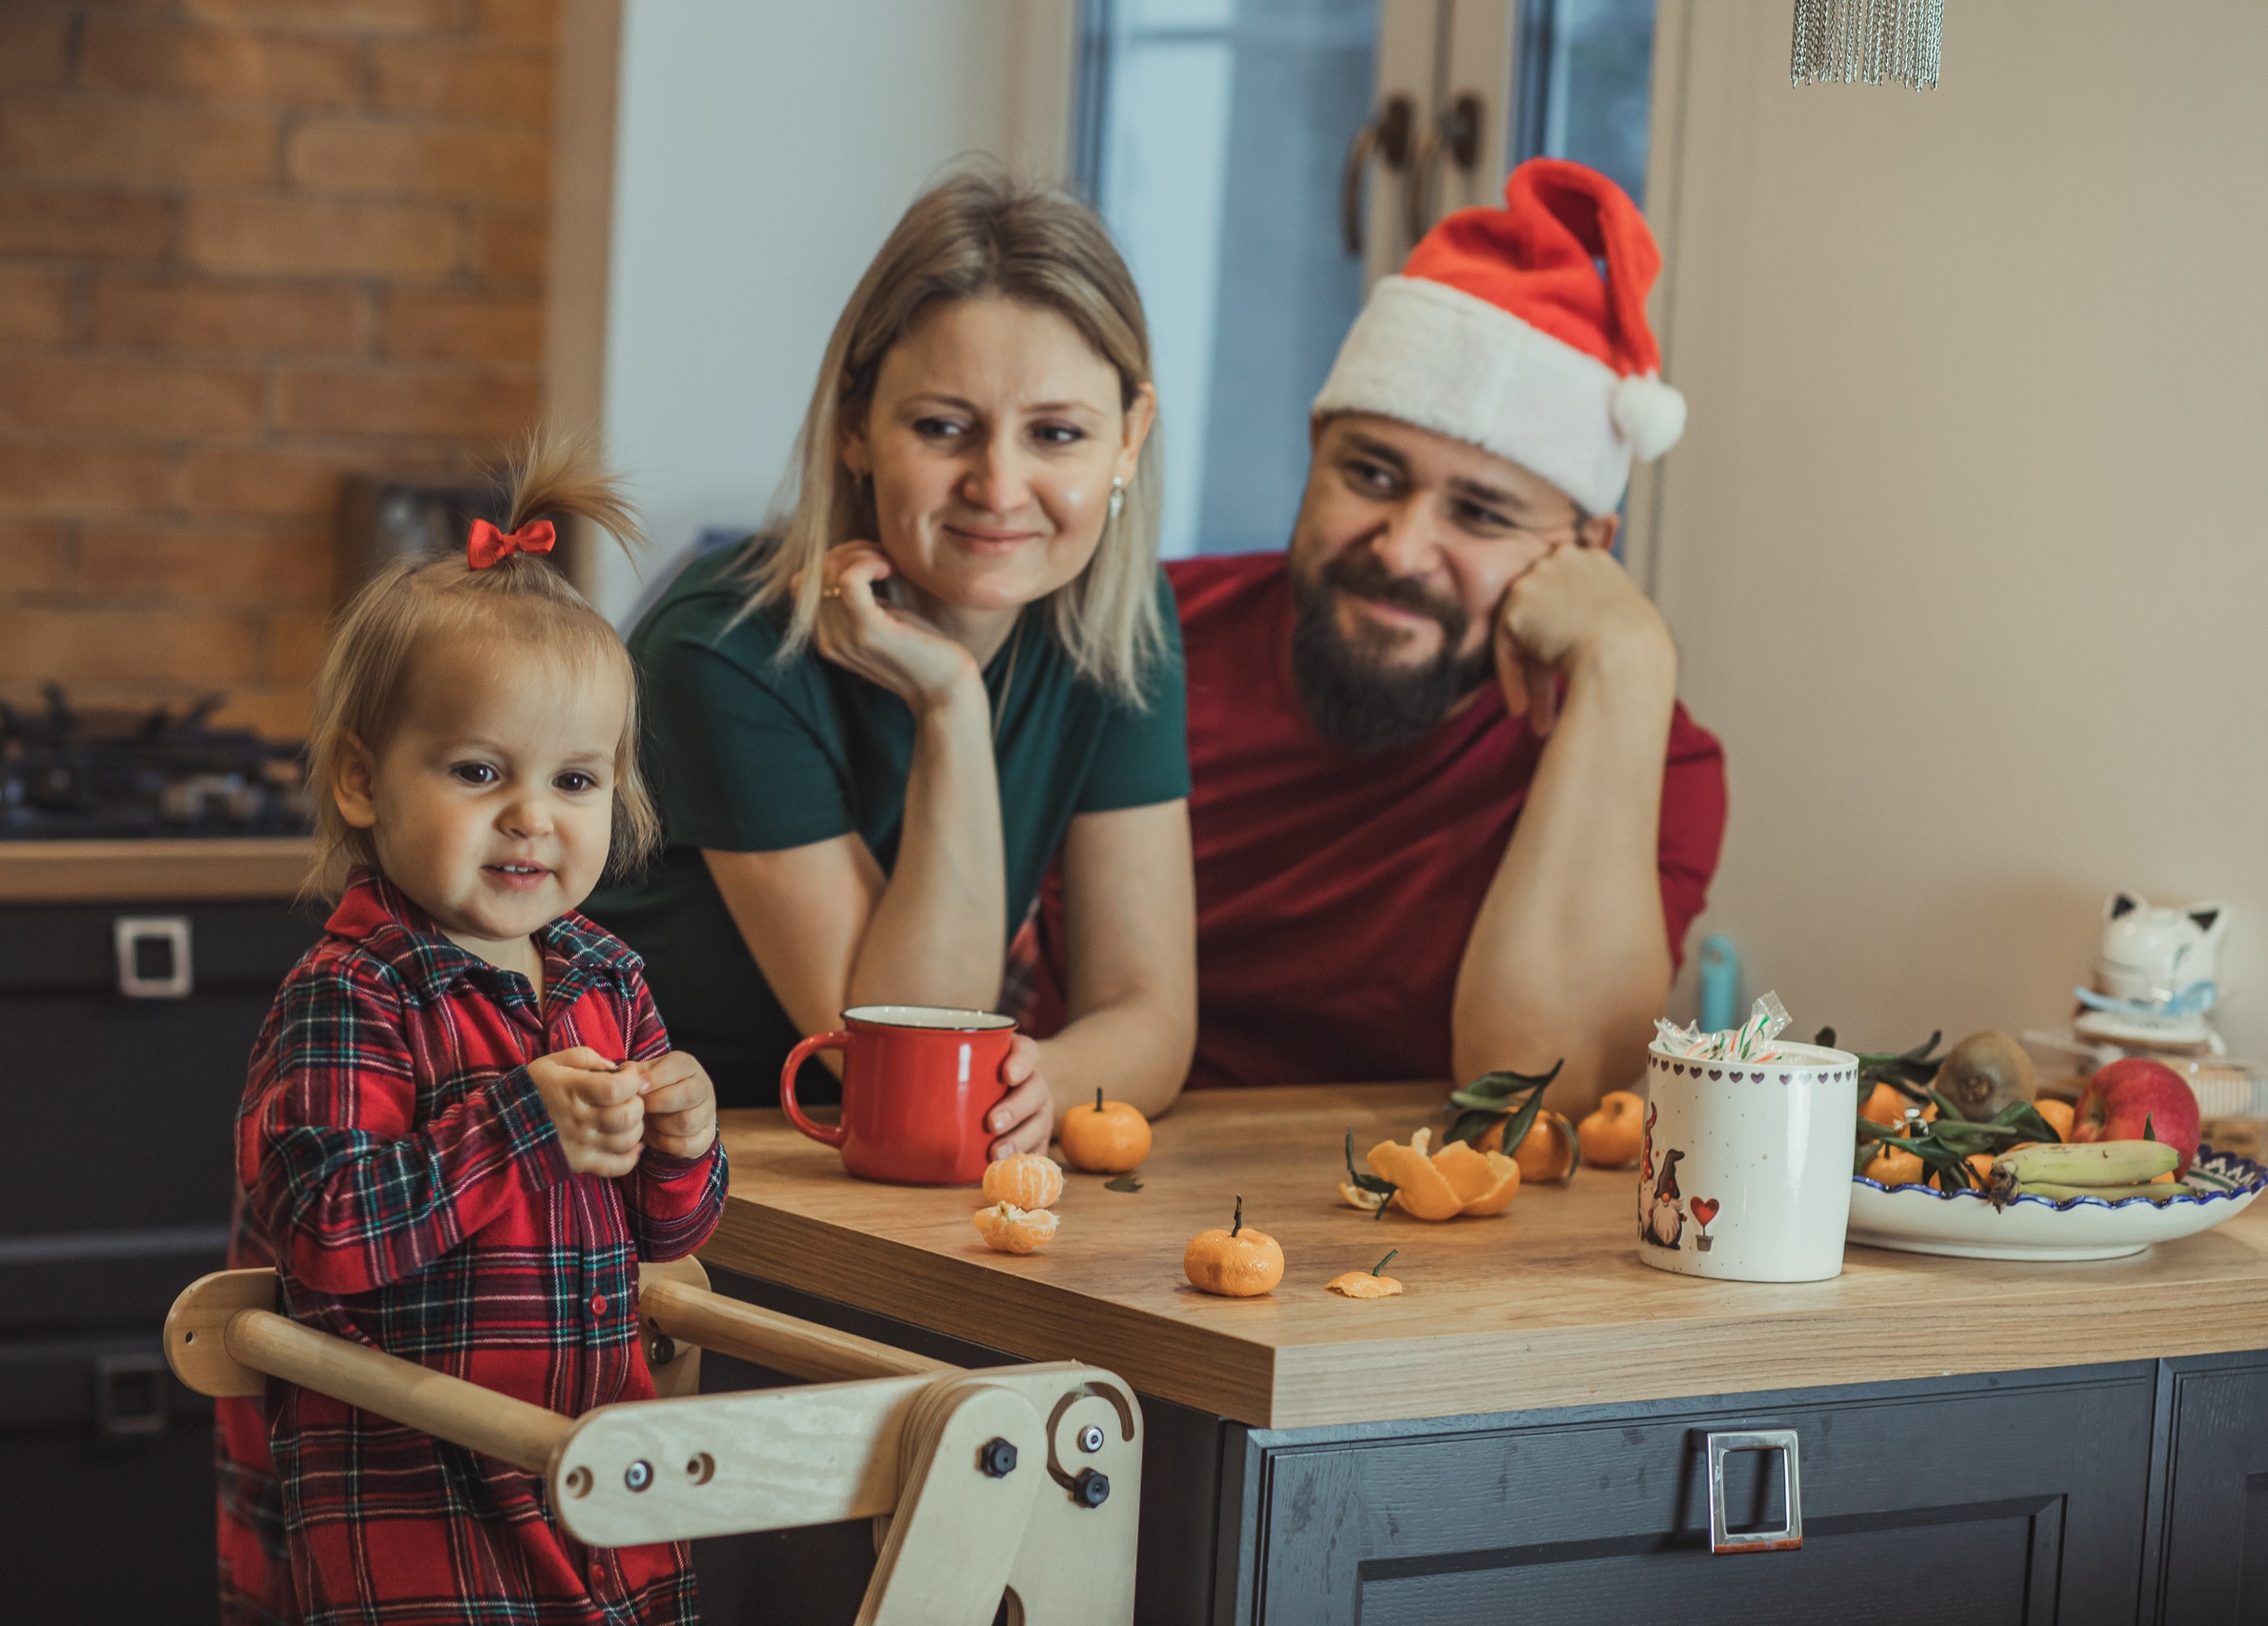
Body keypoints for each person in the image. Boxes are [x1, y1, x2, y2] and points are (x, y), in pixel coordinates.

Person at [1051, 158, 1726, 1118]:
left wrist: (1626, 661)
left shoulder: (1665, 762)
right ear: (1313, 450)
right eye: (1369, 475)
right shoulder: (1134, 633)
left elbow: (1537, 1090)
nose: (1404, 550)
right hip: (1081, 1174)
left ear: (1584, 547)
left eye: (1483, 516)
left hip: (1419, 1224)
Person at [216, 439, 726, 1626]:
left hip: (597, 1475)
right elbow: (327, 1233)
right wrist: (520, 1122)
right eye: (479, 768)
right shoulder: (353, 994)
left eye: (577, 782)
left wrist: (685, 1143)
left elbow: (671, 1233)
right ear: (361, 780)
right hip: (417, 1498)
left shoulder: (608, 974)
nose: (530, 820)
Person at [586, 173, 1195, 1155]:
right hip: (656, 1181)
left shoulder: (1120, 626)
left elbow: (1151, 1018)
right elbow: (891, 1059)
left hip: (888, 1177)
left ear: (1128, 440)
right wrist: (951, 700)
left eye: (1057, 434)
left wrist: (1044, 1087)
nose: (998, 486)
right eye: (941, 427)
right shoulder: (726, 649)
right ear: (855, 429)